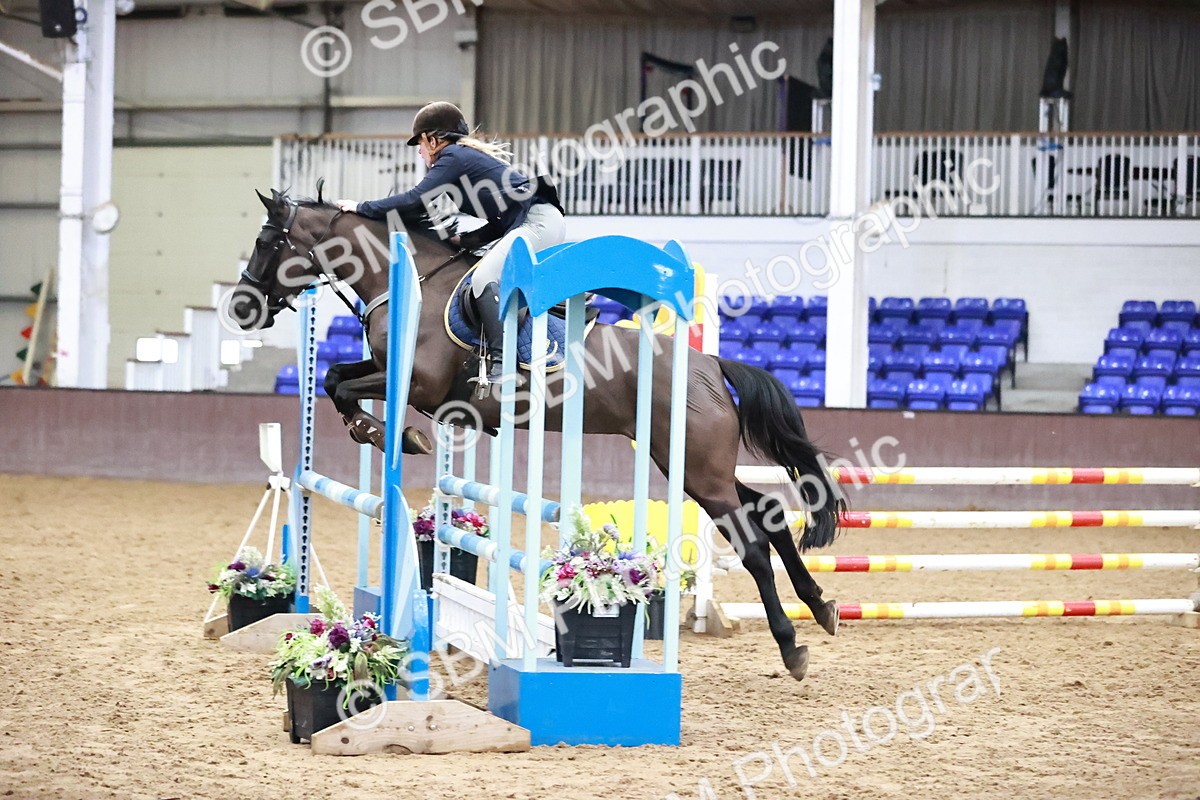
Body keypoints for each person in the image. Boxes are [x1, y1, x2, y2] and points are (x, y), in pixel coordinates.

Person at [337, 102, 566, 385]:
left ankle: (503, 363)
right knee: (482, 274)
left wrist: (361, 207)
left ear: (433, 139)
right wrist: (464, 240)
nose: (420, 152)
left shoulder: (453, 156)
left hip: (538, 222)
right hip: (533, 222)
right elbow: (498, 221)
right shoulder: (462, 160)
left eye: (420, 144)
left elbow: (414, 199)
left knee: (483, 278)